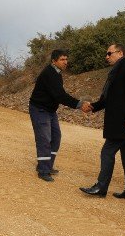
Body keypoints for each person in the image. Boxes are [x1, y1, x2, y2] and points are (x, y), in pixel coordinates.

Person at [79, 43, 125, 200]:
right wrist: (93, 106)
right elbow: (107, 99)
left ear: (120, 53)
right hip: (121, 122)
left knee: (107, 151)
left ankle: (101, 187)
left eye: (109, 53)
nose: (107, 57)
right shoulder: (115, 71)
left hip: (124, 122)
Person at [29, 49, 84, 182]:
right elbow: (59, 95)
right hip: (40, 110)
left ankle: (47, 165)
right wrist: (79, 104)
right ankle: (43, 170)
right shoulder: (49, 73)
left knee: (56, 137)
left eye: (66, 59)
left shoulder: (57, 73)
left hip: (50, 111)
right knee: (44, 139)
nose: (66, 62)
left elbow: (59, 94)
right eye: (62, 60)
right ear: (54, 61)